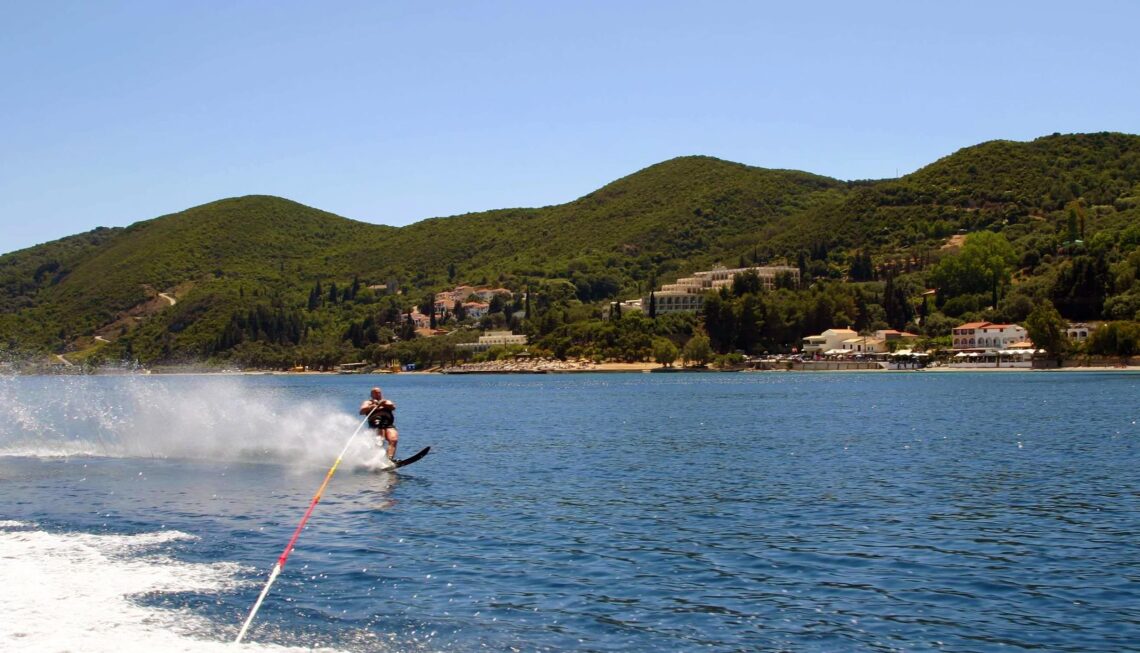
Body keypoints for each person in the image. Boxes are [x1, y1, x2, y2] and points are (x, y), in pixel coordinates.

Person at [360, 387, 398, 461]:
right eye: (375, 393)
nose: (377, 394)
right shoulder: (368, 402)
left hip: (388, 423)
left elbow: (393, 407)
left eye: (379, 392)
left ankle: (389, 459)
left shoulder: (386, 401)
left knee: (393, 439)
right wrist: (371, 407)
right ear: (371, 394)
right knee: (380, 441)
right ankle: (376, 460)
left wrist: (383, 404)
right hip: (375, 422)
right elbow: (361, 411)